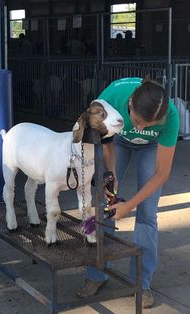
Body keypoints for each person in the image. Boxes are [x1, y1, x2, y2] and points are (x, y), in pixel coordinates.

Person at [77, 77, 180, 309]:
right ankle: (96, 273)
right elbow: (107, 146)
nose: (142, 128)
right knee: (102, 205)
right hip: (117, 142)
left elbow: (161, 174)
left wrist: (129, 204)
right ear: (130, 105)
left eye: (149, 124)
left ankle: (140, 282)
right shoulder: (111, 98)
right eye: (137, 121)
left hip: (151, 148)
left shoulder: (170, 115)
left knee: (147, 212)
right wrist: (110, 178)